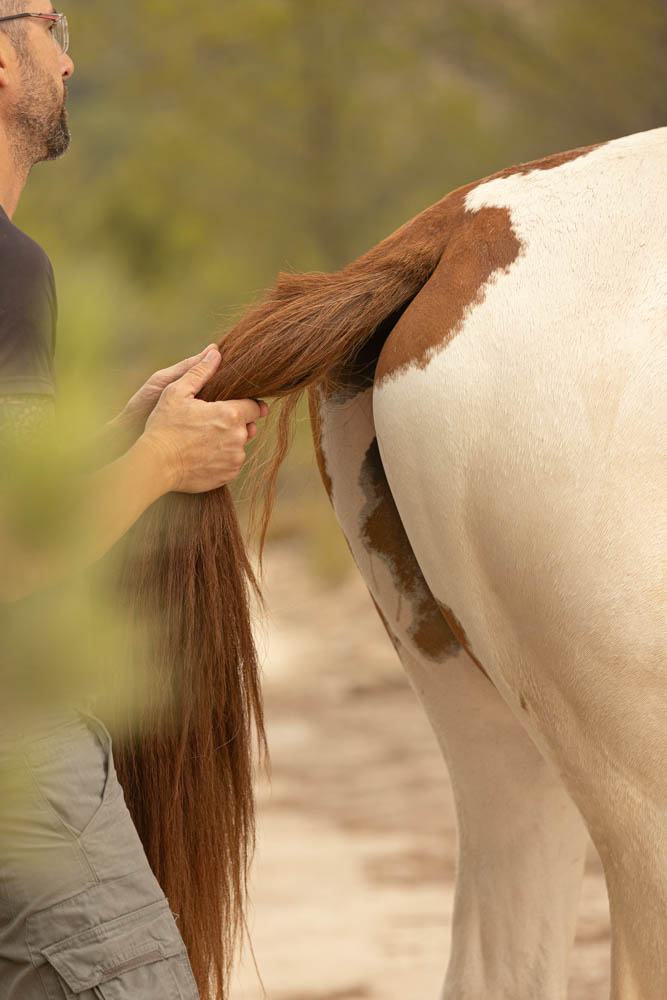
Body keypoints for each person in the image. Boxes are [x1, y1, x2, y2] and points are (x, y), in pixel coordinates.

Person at [0, 5, 267, 997]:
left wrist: (123, 437)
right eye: (54, 24)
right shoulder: (6, 267)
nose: (69, 58)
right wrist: (155, 468)